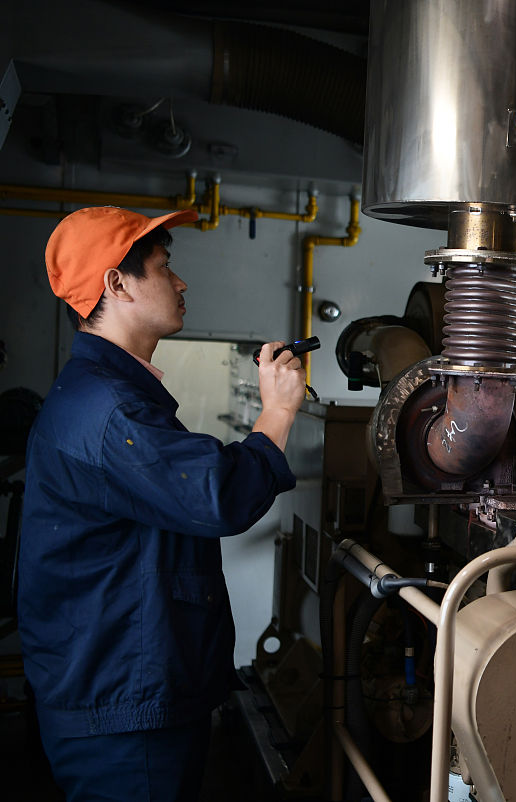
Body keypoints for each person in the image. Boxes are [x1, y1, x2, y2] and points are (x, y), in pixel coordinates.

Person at [16, 206, 307, 801]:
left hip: (122, 691)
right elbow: (218, 495)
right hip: (123, 709)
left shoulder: (106, 394)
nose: (180, 283)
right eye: (164, 267)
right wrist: (277, 412)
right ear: (116, 284)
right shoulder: (109, 408)